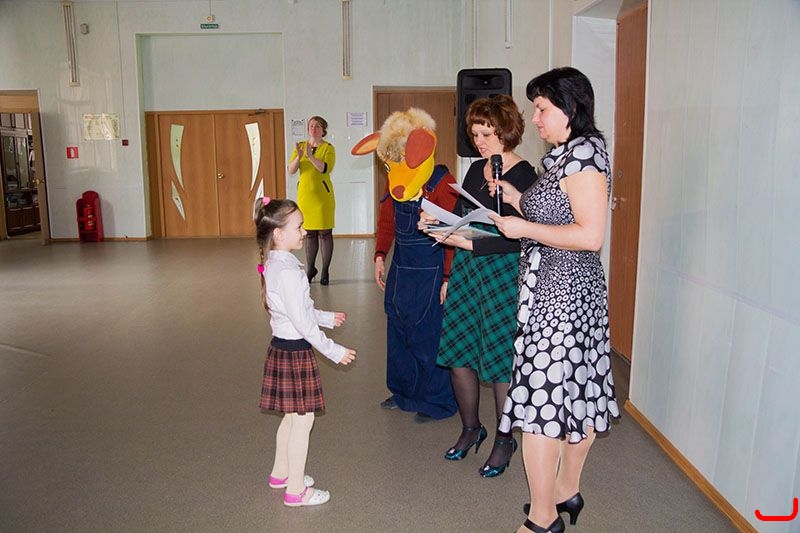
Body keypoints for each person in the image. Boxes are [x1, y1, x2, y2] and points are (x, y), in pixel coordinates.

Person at [489, 67, 620, 533]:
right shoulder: (568, 155)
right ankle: (566, 490)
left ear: (571, 107)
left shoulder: (583, 156)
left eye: (542, 109)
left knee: (540, 409)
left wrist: (523, 227)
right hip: (562, 291)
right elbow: (560, 211)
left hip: (562, 298)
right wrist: (517, 199)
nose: (535, 118)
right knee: (576, 397)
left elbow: (590, 235)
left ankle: (543, 519)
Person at [421, 95, 536, 477]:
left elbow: (526, 237)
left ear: (506, 131)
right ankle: (471, 428)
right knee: (458, 352)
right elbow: (461, 219)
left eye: (487, 134)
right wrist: (436, 225)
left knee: (501, 361)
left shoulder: (526, 176)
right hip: (468, 270)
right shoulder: (473, 170)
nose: (480, 141)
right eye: (475, 134)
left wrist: (470, 243)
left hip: (504, 273)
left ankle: (504, 439)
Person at [351, 107, 458, 422]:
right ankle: (404, 393)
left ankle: (437, 401)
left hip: (431, 270)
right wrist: (380, 255)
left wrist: (448, 277)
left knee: (429, 335)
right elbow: (387, 219)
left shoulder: (442, 183)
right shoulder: (395, 177)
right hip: (402, 267)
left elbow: (455, 234)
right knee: (399, 332)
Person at [255, 196, 356, 507]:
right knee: (303, 420)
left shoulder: (278, 263)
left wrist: (327, 317)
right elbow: (302, 323)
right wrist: (334, 350)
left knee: (291, 417)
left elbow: (297, 310)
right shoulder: (287, 271)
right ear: (278, 234)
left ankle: (280, 473)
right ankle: (296, 491)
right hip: (295, 352)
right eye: (298, 227)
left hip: (282, 348)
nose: (304, 232)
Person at [288, 116, 336, 285]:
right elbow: (291, 170)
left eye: (317, 126)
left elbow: (325, 168)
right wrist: (299, 157)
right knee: (309, 234)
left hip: (323, 198)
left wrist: (310, 156)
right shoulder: (300, 146)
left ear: (323, 130)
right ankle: (310, 269)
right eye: (311, 125)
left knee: (325, 234)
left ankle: (325, 271)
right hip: (305, 197)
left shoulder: (328, 148)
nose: (313, 128)